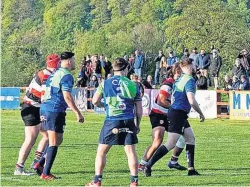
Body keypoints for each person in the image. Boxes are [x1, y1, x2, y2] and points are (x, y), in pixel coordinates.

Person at [142, 58, 206, 177]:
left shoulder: (180, 79)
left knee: (190, 138)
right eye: (194, 65)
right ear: (190, 67)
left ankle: (191, 169)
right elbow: (191, 100)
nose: (195, 67)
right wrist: (201, 113)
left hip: (177, 112)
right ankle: (148, 165)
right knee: (171, 143)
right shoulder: (189, 80)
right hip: (178, 113)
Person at [85, 58, 143, 187]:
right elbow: (139, 110)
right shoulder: (133, 84)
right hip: (128, 120)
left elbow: (94, 101)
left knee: (101, 151)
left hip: (112, 120)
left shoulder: (105, 83)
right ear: (125, 68)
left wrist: (103, 105)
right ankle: (134, 182)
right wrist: (137, 125)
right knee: (130, 151)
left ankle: (97, 181)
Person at [39, 51, 85, 180]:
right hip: (54, 110)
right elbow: (67, 96)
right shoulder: (67, 75)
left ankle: (40, 164)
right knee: (54, 141)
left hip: (46, 108)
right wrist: (78, 113)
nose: (75, 62)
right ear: (69, 61)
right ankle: (45, 173)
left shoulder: (55, 73)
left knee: (58, 140)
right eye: (74, 60)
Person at [15, 54, 59, 176]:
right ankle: (19, 168)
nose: (60, 65)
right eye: (59, 63)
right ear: (56, 64)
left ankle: (36, 162)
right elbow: (45, 96)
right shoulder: (47, 76)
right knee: (30, 139)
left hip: (34, 107)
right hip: (31, 108)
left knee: (47, 135)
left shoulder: (44, 72)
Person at [139, 65, 187, 174]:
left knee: (183, 138)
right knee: (157, 141)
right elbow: (162, 100)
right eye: (181, 72)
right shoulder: (168, 83)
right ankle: (142, 164)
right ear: (175, 73)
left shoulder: (180, 84)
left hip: (170, 115)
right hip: (158, 114)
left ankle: (173, 162)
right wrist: (176, 106)